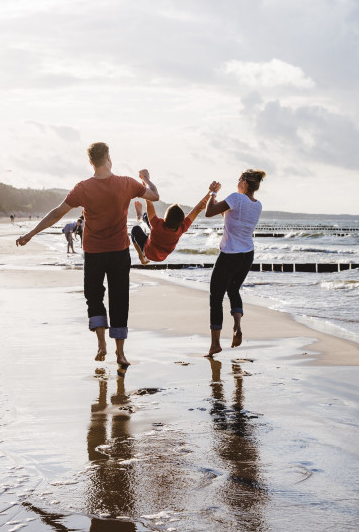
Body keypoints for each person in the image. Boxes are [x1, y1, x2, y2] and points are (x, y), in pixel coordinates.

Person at [15, 142, 159, 371]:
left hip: (93, 253)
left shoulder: (83, 187)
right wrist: (146, 178)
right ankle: (120, 354)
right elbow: (155, 195)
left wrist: (31, 233)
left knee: (94, 297)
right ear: (109, 158)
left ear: (90, 162)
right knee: (120, 299)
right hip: (119, 251)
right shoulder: (126, 183)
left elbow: (57, 213)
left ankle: (101, 344)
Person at [203, 169, 266, 357]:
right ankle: (237, 326)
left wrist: (213, 193)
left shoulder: (236, 199)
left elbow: (209, 212)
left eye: (239, 179)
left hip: (230, 254)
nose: (237, 182)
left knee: (216, 297)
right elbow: (228, 216)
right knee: (233, 290)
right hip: (247, 254)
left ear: (245, 183)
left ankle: (215, 344)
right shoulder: (257, 205)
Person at [130, 190, 212, 265]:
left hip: (148, 252)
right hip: (162, 256)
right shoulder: (182, 228)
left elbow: (149, 202)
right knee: (147, 217)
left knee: (135, 229)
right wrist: (211, 193)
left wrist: (145, 182)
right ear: (181, 222)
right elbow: (197, 209)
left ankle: (141, 255)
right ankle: (141, 217)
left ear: (165, 218)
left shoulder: (156, 224)